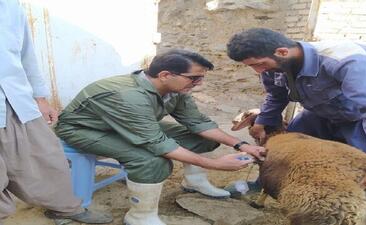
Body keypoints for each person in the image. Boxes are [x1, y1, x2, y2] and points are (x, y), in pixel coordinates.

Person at [55, 49, 265, 225]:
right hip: (83, 129)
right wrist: (216, 165)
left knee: (204, 138)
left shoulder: (176, 90)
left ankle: (194, 181)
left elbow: (197, 123)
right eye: (194, 78)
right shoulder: (128, 96)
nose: (199, 83)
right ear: (165, 75)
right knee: (151, 161)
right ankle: (140, 216)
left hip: (132, 126)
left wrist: (242, 145)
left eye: (201, 78)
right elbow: (158, 144)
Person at [226, 28, 366, 193]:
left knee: (365, 166)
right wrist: (264, 121)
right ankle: (265, 185)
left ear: (282, 52)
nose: (258, 70)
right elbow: (276, 95)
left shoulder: (348, 60)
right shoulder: (274, 65)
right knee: (281, 151)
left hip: (360, 118)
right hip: (319, 113)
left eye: (260, 64)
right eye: (251, 66)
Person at [0, 0, 112, 224]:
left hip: (16, 100)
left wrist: (40, 99)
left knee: (48, 158)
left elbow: (26, 56)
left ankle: (65, 208)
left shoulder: (11, 6)